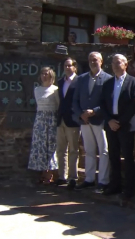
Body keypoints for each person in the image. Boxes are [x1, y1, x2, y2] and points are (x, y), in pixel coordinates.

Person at [100, 54, 135, 199]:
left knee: (128, 158)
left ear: (125, 65)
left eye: (118, 63)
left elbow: (133, 105)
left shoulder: (133, 82)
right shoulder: (108, 83)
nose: (115, 65)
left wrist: (120, 122)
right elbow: (102, 103)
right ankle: (115, 185)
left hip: (127, 124)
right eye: (113, 63)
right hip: (111, 124)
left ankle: (129, 189)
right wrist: (110, 120)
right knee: (113, 156)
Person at [72, 52, 111, 193]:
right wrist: (81, 114)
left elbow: (108, 101)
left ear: (101, 61)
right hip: (85, 121)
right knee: (89, 151)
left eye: (95, 60)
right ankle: (89, 179)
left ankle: (103, 181)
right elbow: (75, 100)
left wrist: (94, 111)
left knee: (104, 151)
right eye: (90, 60)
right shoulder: (81, 79)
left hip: (99, 120)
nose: (92, 62)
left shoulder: (108, 79)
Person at [28, 67, 59, 185]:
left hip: (51, 119)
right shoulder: (37, 89)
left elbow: (58, 105)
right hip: (40, 119)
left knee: (51, 145)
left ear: (51, 76)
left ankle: (50, 173)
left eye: (46, 74)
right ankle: (42, 171)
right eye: (42, 74)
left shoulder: (55, 90)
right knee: (40, 145)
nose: (44, 76)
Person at [55, 58, 80, 190]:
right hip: (61, 119)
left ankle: (73, 178)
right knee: (61, 150)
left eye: (70, 66)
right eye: (65, 65)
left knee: (73, 150)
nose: (67, 68)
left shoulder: (79, 81)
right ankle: (61, 176)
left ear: (75, 67)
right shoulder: (60, 81)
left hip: (73, 120)